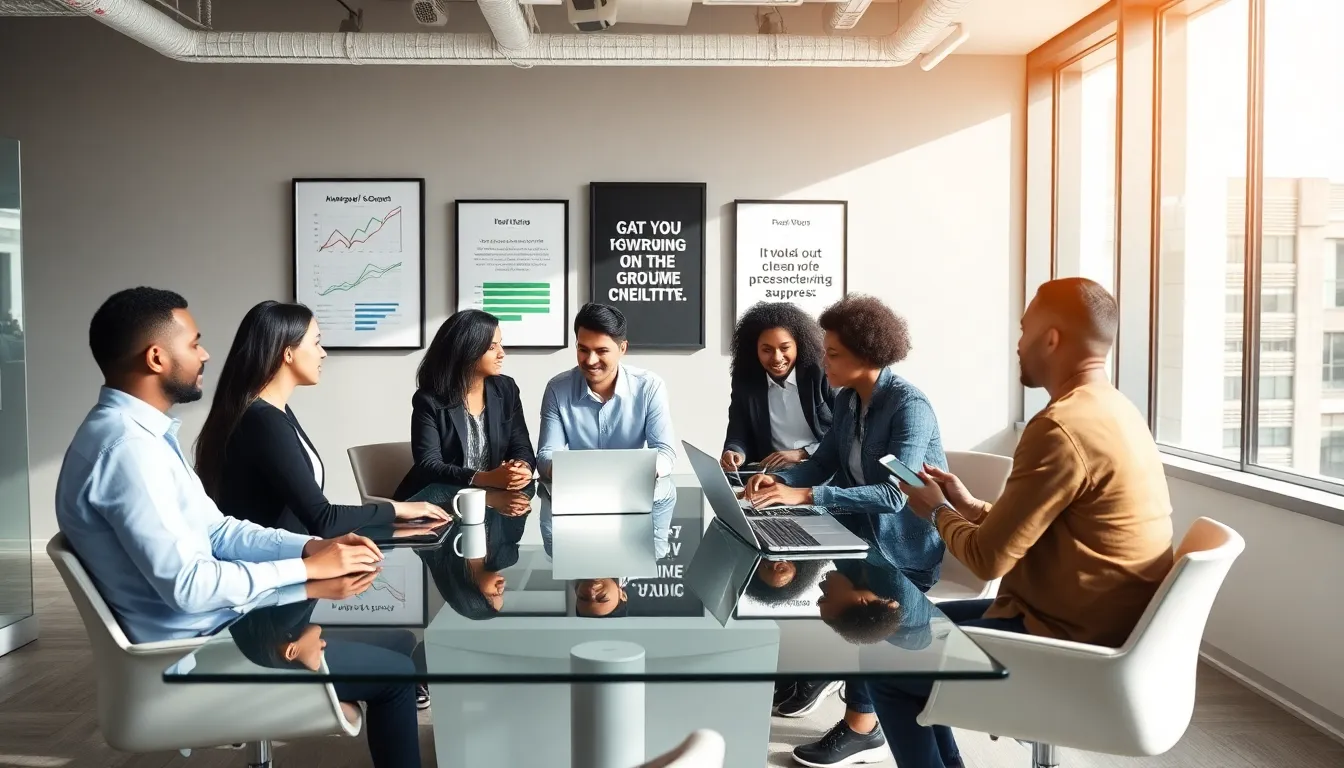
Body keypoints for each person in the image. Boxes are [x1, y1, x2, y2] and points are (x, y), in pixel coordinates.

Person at [54, 288, 422, 768]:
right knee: (396, 675)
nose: (206, 354)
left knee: (396, 641)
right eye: (195, 343)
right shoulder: (127, 452)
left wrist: (312, 547)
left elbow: (221, 531)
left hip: (225, 626)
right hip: (204, 652)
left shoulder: (142, 437)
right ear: (157, 357)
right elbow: (188, 587)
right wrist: (301, 569)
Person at [870, 278, 1175, 768]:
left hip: (1064, 647)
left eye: (1024, 328)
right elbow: (1043, 534)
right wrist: (966, 503)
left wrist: (935, 510)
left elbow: (988, 559)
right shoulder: (1116, 411)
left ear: (1051, 338)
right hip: (1105, 630)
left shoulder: (1059, 428)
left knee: (882, 656)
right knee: (899, 637)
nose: (1017, 343)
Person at [745, 294, 946, 762]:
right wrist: (781, 480)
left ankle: (863, 728)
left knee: (863, 610)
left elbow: (898, 495)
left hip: (904, 550)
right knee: (806, 577)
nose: (821, 362)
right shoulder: (849, 401)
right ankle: (827, 674)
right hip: (859, 536)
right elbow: (822, 464)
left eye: (831, 354)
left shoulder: (908, 408)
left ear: (867, 355)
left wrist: (808, 495)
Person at [195, 300, 448, 538]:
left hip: (289, 558)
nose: (323, 353)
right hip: (272, 570)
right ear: (288, 353)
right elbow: (323, 519)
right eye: (316, 343)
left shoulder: (273, 411)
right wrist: (399, 509)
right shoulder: (263, 421)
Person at [393, 309, 536, 502]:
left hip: (488, 501)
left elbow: (521, 446)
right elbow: (428, 465)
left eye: (500, 345)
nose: (502, 353)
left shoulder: (506, 389)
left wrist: (521, 467)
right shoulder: (429, 400)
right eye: (492, 347)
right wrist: (484, 478)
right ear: (468, 351)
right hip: (435, 503)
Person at [536, 303, 676, 478]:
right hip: (577, 489)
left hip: (633, 489)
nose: (591, 360)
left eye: (601, 351)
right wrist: (571, 473)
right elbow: (545, 456)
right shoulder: (557, 389)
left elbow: (665, 452)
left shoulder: (649, 387)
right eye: (583, 350)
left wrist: (643, 473)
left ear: (622, 348)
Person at [722, 301, 835, 472]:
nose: (777, 358)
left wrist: (802, 453)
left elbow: (844, 435)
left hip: (821, 468)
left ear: (799, 345)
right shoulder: (746, 381)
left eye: (785, 348)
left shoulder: (822, 374)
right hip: (773, 474)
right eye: (766, 350)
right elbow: (738, 432)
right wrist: (735, 453)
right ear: (754, 350)